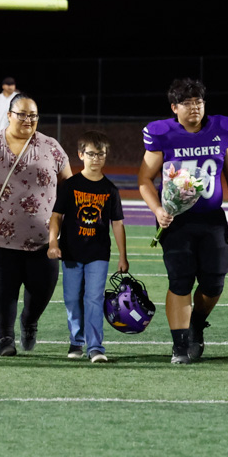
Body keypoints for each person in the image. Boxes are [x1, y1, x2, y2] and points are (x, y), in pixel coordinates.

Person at [138, 78, 228, 364]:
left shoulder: (222, 129)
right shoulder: (163, 134)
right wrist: (157, 210)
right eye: (187, 103)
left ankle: (196, 323)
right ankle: (180, 345)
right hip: (176, 221)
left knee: (214, 282)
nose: (194, 108)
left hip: (211, 219)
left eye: (198, 102)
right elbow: (145, 179)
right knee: (180, 280)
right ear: (174, 107)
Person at [0, 93, 72, 356]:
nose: (28, 120)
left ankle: (29, 322)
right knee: (3, 285)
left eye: (33, 115)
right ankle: (5, 339)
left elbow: (69, 186)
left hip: (44, 238)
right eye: (22, 114)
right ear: (9, 115)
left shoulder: (51, 146)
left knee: (42, 288)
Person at [48, 130, 129, 363]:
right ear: (80, 155)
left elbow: (117, 223)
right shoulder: (70, 185)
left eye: (100, 154)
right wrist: (53, 242)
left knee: (93, 298)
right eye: (91, 154)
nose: (96, 159)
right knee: (72, 299)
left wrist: (123, 256)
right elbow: (56, 216)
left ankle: (95, 347)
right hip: (71, 252)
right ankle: (76, 340)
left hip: (98, 253)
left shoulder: (110, 190)